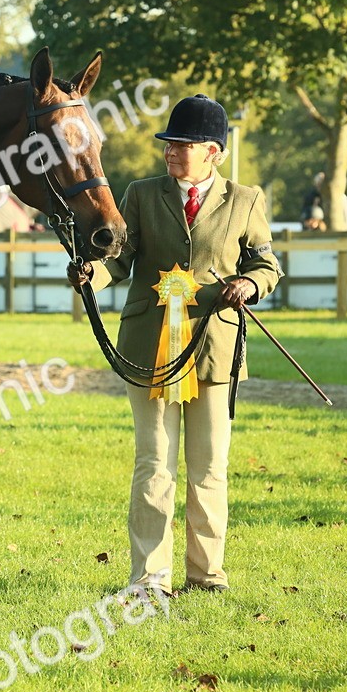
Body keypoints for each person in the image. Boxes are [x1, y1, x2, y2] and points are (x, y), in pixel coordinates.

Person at [67, 94, 280, 598]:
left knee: (209, 469)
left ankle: (206, 575)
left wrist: (248, 286)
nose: (171, 152)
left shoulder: (247, 200)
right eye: (168, 144)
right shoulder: (141, 193)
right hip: (149, 349)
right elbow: (121, 259)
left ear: (214, 151)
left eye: (183, 145)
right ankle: (149, 579)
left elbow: (267, 265)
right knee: (154, 464)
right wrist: (92, 274)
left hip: (215, 348)